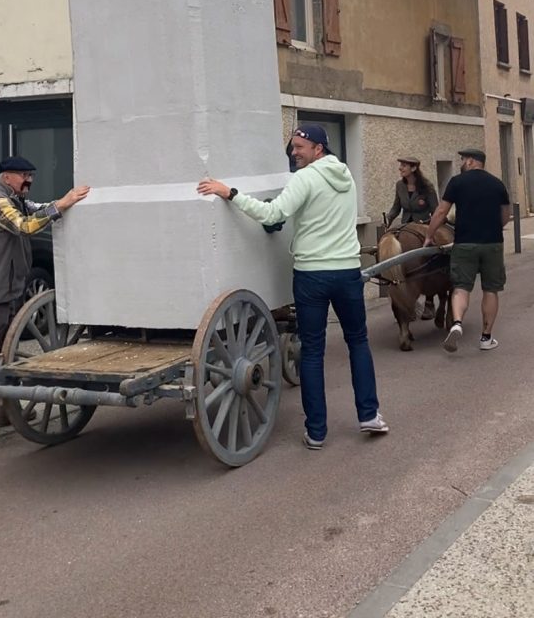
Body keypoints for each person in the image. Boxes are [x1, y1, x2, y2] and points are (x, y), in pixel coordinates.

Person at [197, 123, 388, 449]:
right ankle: (369, 414)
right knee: (358, 342)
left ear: (318, 149)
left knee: (312, 351)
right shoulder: (345, 176)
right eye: (293, 146)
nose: (294, 152)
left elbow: (274, 212)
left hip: (312, 274)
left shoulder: (305, 179)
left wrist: (231, 193)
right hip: (347, 272)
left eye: (300, 146)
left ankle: (317, 431)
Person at [0, 156, 90, 451]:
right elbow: (26, 226)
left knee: (7, 353)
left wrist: (69, 201)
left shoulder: (15, 199)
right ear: (7, 177)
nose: (28, 180)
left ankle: (5, 413)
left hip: (7, 290)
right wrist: (65, 202)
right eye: (23, 175)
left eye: (30, 175)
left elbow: (40, 209)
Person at [423, 148, 511, 353]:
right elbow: (505, 215)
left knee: (461, 287)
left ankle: (457, 323)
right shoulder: (497, 184)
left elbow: (442, 211)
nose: (462, 163)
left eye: (463, 160)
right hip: (492, 244)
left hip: (464, 244)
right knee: (491, 289)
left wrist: (429, 234)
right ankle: (486, 338)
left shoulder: (457, 182)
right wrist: (493, 228)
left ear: (471, 161)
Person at [386, 156, 439, 320]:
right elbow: (396, 207)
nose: (400, 168)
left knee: (430, 259)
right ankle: (406, 302)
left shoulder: (427, 187)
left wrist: (431, 227)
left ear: (414, 168)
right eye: (400, 165)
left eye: (404, 165)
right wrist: (388, 219)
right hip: (405, 226)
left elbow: (436, 210)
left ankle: (430, 301)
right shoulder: (400, 186)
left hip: (424, 226)